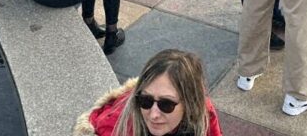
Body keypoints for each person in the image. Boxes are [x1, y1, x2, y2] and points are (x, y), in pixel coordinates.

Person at [73, 49, 223, 136]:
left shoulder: (204, 113)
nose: (153, 115)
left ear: (191, 103)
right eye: (145, 101)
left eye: (166, 104)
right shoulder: (116, 129)